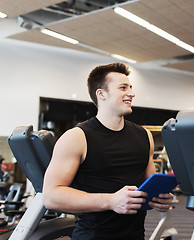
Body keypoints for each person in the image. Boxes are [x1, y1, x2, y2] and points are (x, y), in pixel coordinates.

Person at [43, 62, 173, 240]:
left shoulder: (145, 136)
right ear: (101, 94)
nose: (131, 93)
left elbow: (150, 185)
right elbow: (51, 196)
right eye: (123, 88)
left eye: (131, 87)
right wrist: (111, 201)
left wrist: (160, 198)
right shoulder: (77, 137)